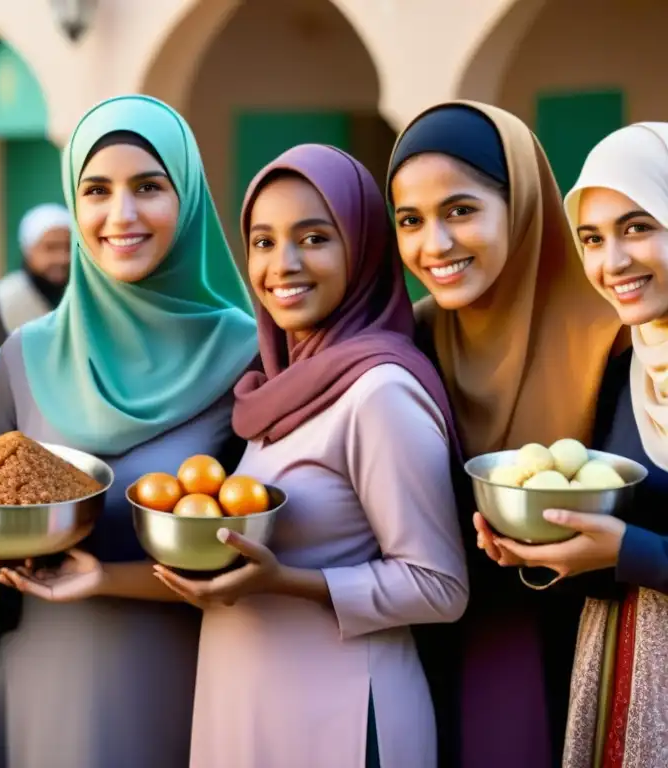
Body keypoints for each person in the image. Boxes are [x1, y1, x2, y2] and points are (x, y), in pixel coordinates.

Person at [0, 94, 258, 768]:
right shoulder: (24, 355)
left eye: (149, 187)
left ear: (187, 197)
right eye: (96, 191)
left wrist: (108, 579)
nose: (120, 216)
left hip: (193, 676)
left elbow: (254, 549)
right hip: (49, 674)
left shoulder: (249, 353)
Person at [154, 144, 468, 767]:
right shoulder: (277, 385)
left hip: (343, 721)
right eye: (264, 242)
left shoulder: (380, 391)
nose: (282, 264)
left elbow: (440, 587)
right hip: (248, 704)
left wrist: (289, 583)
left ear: (363, 246)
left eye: (315, 237)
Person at [387, 101, 623, 768]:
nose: (434, 246)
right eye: (411, 221)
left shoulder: (613, 334)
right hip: (432, 650)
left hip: (580, 650)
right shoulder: (411, 339)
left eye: (461, 210)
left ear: (519, 205)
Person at [478, 122, 668, 767]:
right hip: (621, 669)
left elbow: (637, 546)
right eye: (592, 238)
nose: (611, 262)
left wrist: (630, 553)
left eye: (638, 227)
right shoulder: (625, 370)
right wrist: (544, 549)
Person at [0, 203, 71, 331]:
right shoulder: (5, 298)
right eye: (50, 247)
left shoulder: (81, 296)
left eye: (68, 247)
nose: (62, 258)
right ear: (28, 250)